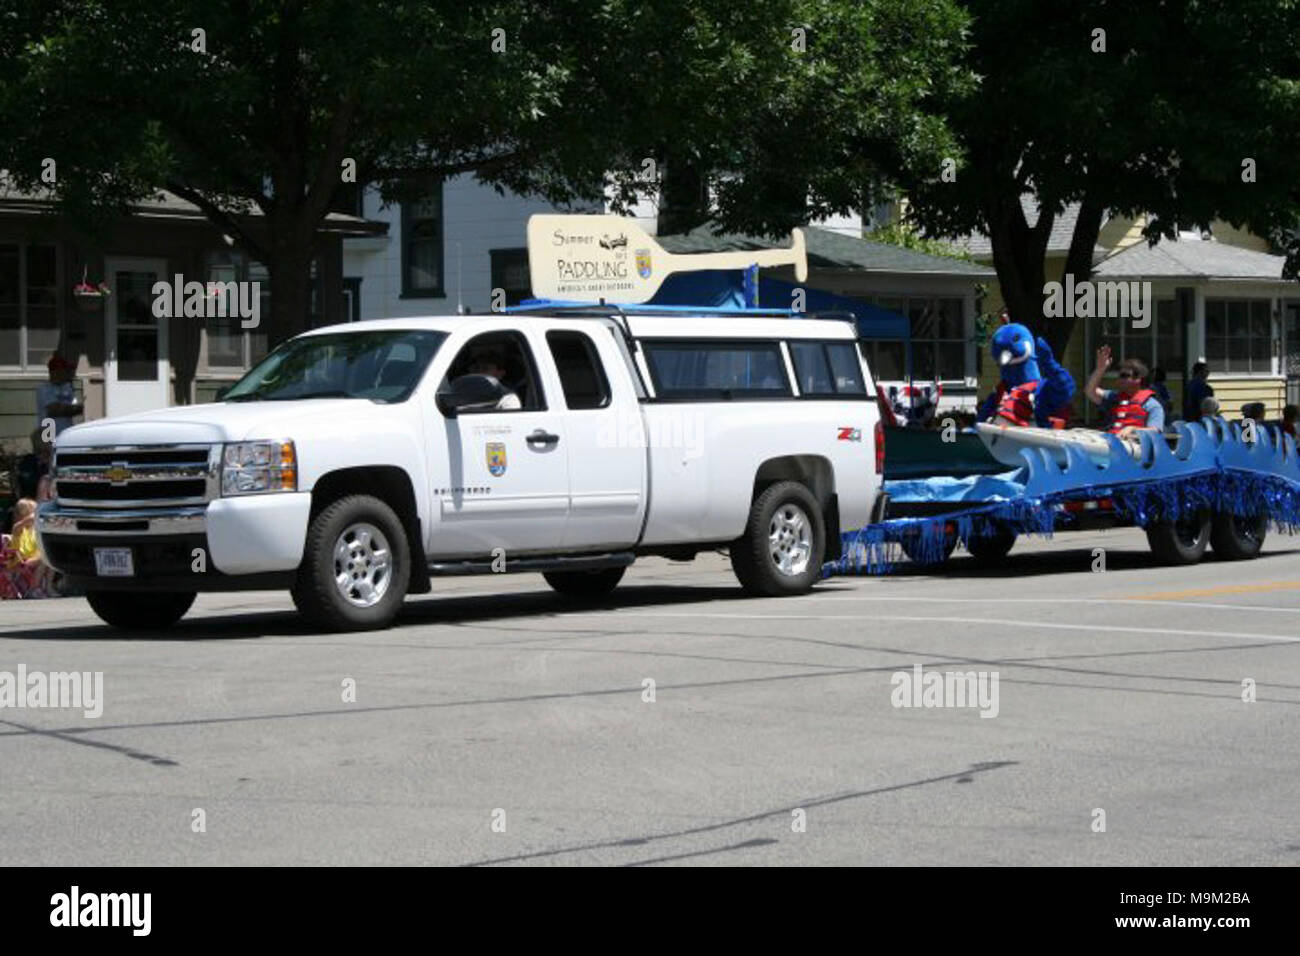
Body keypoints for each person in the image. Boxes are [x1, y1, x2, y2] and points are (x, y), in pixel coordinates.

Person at [1086, 345, 1165, 437]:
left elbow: (1155, 431)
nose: (1120, 379)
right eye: (1120, 376)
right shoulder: (1113, 397)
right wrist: (1100, 369)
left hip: (1134, 445)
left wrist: (1133, 429)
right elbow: (1090, 391)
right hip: (1111, 441)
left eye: (1124, 376)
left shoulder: (1151, 405)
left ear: (1138, 379)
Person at [35, 354, 82, 436]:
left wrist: (74, 408)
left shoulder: (66, 388)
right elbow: (54, 410)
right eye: (66, 370)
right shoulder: (44, 388)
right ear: (56, 372)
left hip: (66, 434)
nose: (69, 373)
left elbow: (76, 407)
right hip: (49, 435)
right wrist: (72, 409)